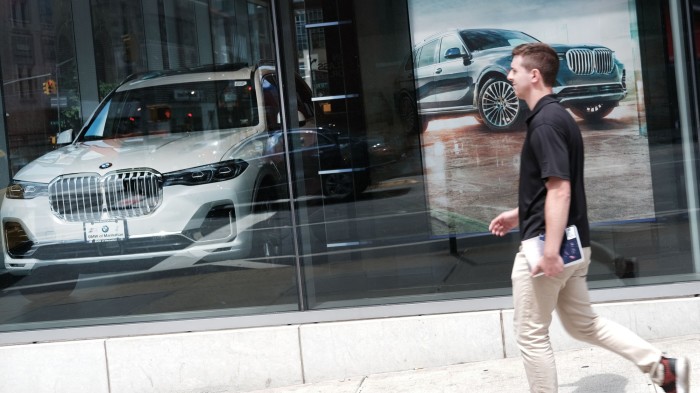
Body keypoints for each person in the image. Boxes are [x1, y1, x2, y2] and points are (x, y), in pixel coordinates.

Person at [488, 42, 690, 393]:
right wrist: (517, 213)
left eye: (514, 69)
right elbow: (549, 187)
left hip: (547, 250)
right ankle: (663, 368)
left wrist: (549, 250)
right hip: (574, 246)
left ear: (534, 75)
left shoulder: (546, 123)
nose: (509, 75)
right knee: (585, 325)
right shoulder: (558, 117)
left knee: (530, 334)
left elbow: (560, 190)